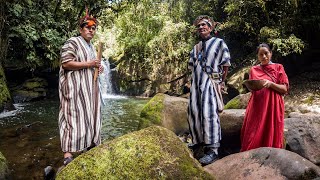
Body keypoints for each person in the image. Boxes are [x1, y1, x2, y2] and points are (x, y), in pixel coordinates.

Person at [58, 11, 103, 166]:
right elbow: (66, 63)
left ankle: (90, 145)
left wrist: (97, 67)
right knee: (71, 118)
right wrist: (90, 64)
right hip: (74, 89)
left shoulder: (91, 47)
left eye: (94, 27)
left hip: (89, 90)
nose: (91, 29)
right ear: (80, 29)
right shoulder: (73, 42)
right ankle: (68, 154)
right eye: (87, 26)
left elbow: (90, 65)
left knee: (90, 115)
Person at [187, 15, 231, 166]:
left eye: (204, 25)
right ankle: (198, 142)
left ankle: (213, 150)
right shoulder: (195, 47)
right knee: (194, 112)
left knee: (209, 113)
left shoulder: (219, 43)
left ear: (211, 27)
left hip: (211, 83)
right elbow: (192, 67)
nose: (201, 27)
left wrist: (221, 82)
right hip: (196, 85)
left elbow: (225, 64)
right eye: (199, 25)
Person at [240, 43, 289, 151]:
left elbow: (284, 89)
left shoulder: (278, 67)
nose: (264, 57)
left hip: (273, 105)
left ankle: (270, 156)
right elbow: (253, 88)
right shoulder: (253, 70)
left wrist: (271, 84)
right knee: (253, 131)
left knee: (270, 130)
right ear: (258, 56)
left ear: (271, 53)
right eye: (261, 54)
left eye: (266, 53)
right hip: (257, 105)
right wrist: (249, 86)